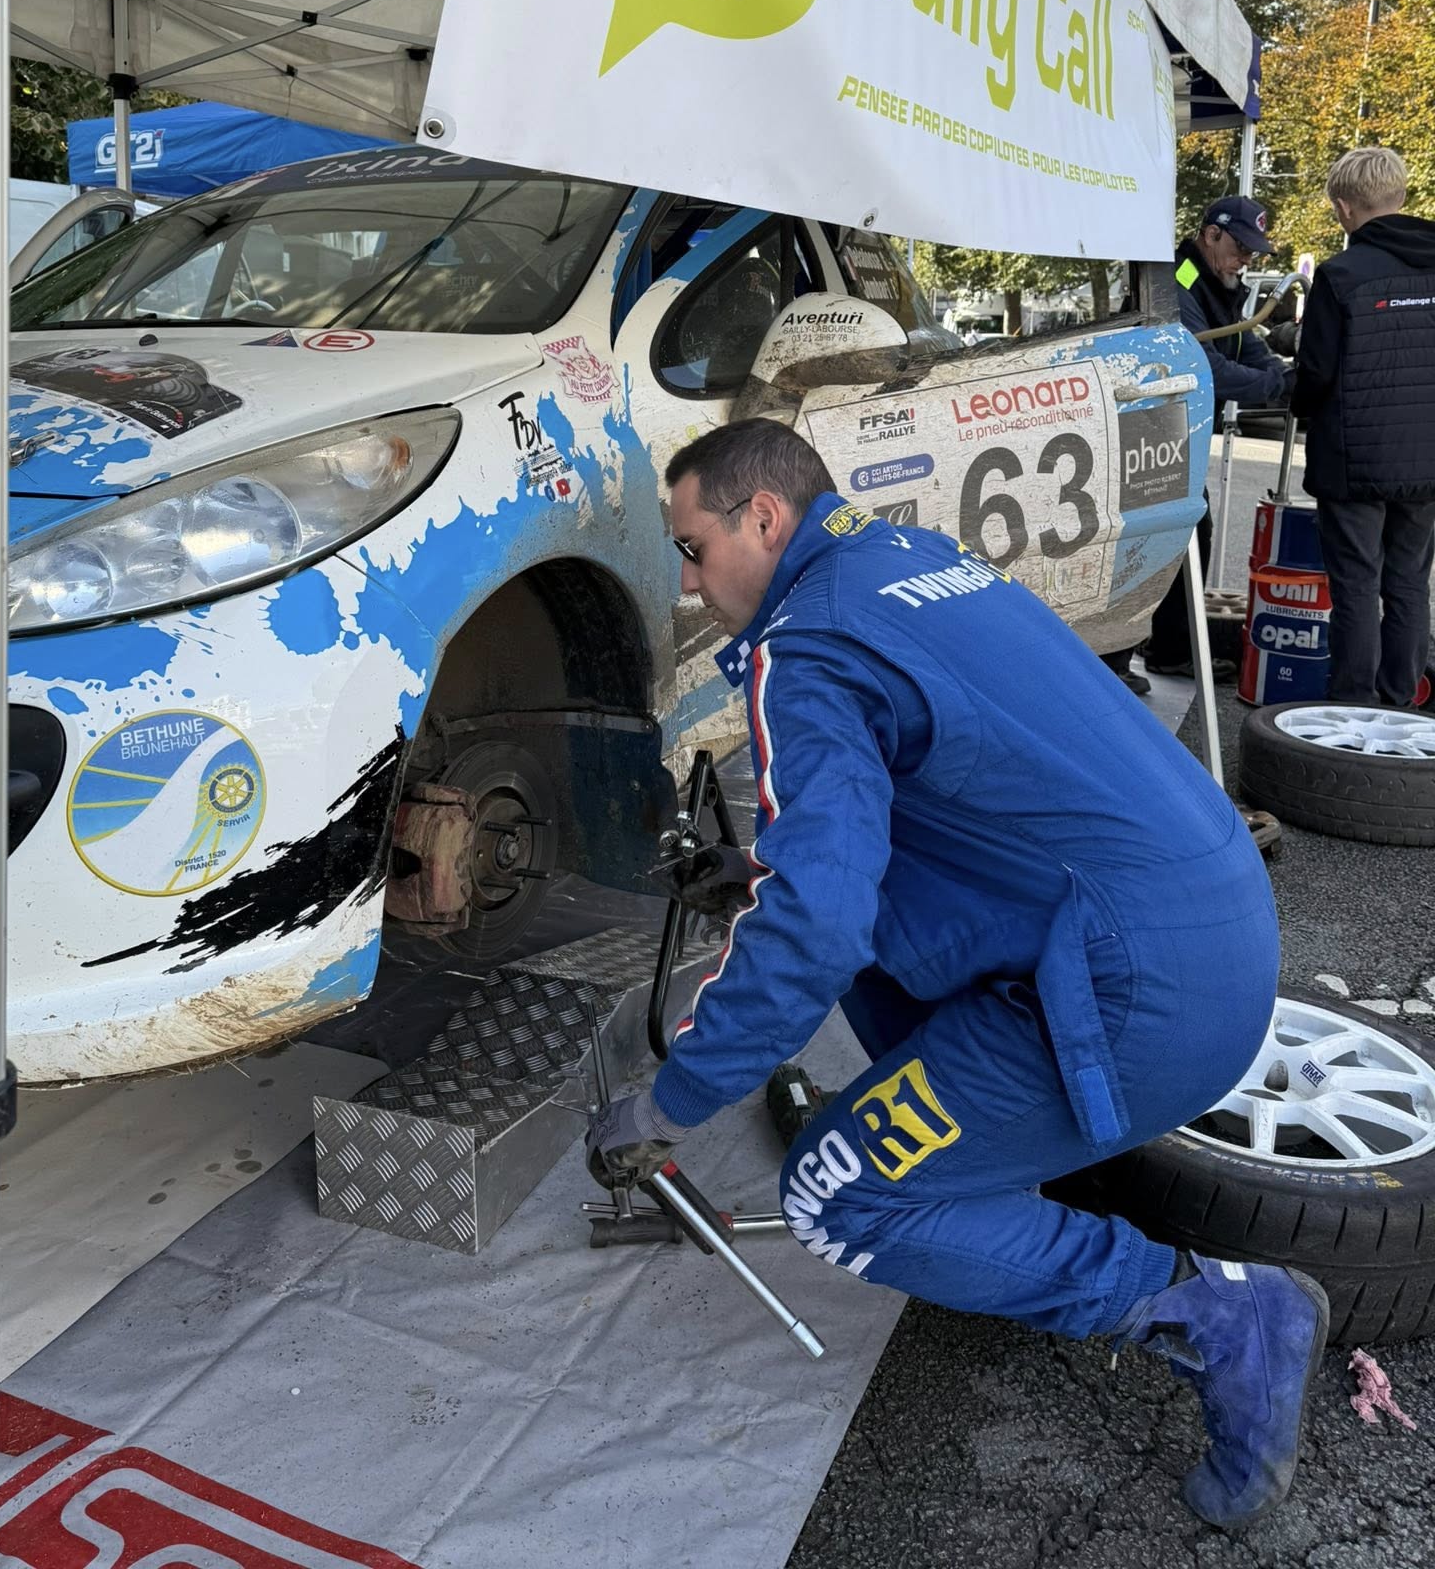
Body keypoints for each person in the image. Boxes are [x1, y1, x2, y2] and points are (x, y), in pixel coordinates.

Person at [587, 418, 1326, 1532]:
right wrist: (759, 869)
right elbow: (936, 812)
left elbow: (815, 928)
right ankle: (995, 1172)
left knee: (839, 1193)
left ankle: (1224, 1314)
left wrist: (669, 1099)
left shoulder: (811, 642)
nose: (690, 584)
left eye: (692, 547)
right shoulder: (905, 559)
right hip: (1206, 923)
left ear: (765, 518)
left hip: (1134, 991)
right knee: (841, 933)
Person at [1292, 146, 1435, 708]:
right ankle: (1401, 702)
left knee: (1355, 583)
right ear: (1400, 196)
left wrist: (1298, 404)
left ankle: (1352, 705)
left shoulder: (1341, 274)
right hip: (1426, 461)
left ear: (1345, 207)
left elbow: (1316, 373)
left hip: (1355, 460)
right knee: (1408, 583)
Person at [1143, 198, 1294, 678]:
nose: (1247, 259)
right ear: (1210, 235)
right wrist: (1276, 385)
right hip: (1150, 430)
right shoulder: (1178, 281)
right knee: (1168, 536)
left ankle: (1168, 650)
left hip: (1177, 435)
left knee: (1189, 531)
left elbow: (1240, 341)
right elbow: (1199, 359)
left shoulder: (1215, 284)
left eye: (1254, 251)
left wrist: (1282, 373)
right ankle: (1147, 652)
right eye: (1241, 247)